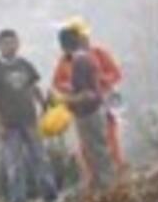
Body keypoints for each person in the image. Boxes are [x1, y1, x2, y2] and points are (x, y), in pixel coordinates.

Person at [0, 29, 57, 202]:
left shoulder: (25, 65)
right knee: (14, 165)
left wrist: (44, 106)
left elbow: (34, 87)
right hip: (9, 125)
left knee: (41, 159)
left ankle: (51, 196)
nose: (11, 46)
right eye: (6, 43)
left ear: (18, 43)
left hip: (30, 120)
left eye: (13, 42)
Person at [52, 17, 125, 171]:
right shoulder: (65, 60)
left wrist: (101, 79)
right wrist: (69, 88)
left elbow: (116, 74)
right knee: (86, 144)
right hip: (81, 107)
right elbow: (57, 82)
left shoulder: (98, 53)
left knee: (109, 137)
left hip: (104, 100)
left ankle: (117, 168)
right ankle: (93, 177)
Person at [56, 26, 116, 192]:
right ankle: (102, 186)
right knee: (94, 151)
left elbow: (88, 94)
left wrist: (63, 100)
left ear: (64, 46)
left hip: (89, 114)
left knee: (98, 152)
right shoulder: (86, 59)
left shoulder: (79, 62)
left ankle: (109, 188)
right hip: (91, 112)